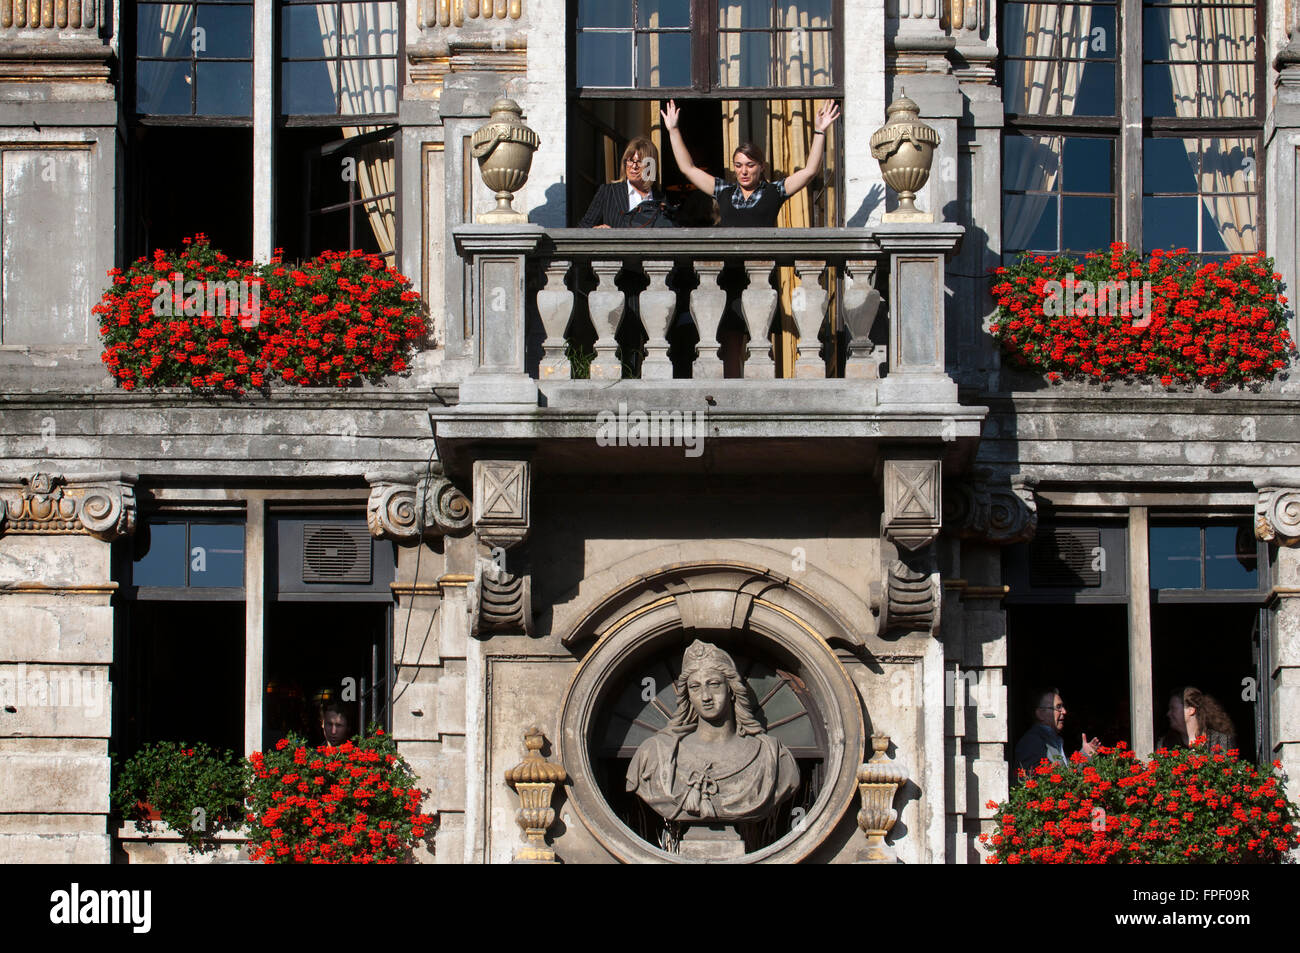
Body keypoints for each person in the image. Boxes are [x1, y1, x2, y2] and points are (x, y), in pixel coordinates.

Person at [626, 640, 800, 823]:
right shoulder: (654, 755)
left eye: (714, 684)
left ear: (732, 690)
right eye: (695, 687)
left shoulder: (771, 756)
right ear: (688, 696)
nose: (706, 696)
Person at [660, 99, 840, 227]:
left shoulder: (774, 191)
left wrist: (819, 131)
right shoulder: (724, 191)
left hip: (761, 271)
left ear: (762, 167)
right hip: (729, 273)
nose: (743, 171)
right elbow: (688, 169)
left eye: (750, 165)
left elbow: (809, 171)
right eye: (738, 166)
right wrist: (673, 130)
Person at [578, 137, 678, 229]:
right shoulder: (609, 192)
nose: (634, 166)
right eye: (630, 160)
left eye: (639, 161)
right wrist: (596, 230)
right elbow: (583, 227)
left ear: (650, 166)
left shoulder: (661, 199)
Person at [1013, 687, 1100, 774]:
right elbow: (1029, 782)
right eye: (1058, 707)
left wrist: (1084, 755)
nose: (1064, 711)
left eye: (1063, 707)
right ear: (1040, 714)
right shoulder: (1031, 742)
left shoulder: (1052, 738)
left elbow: (1064, 774)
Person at [1160, 686, 1238, 752]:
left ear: (1191, 710)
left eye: (1173, 708)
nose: (1169, 714)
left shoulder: (1220, 741)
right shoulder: (1166, 743)